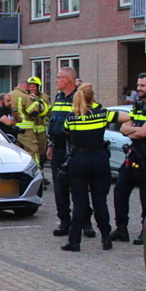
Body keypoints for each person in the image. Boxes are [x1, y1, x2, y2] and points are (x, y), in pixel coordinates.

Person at [110, 72, 146, 246]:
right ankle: (121, 229)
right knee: (120, 190)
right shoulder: (137, 106)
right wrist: (134, 130)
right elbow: (123, 129)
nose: (139, 88)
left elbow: (143, 132)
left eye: (142, 85)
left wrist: (134, 130)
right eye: (138, 85)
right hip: (133, 155)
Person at [60, 83, 117, 252]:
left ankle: (74, 241)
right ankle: (106, 239)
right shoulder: (102, 114)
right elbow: (123, 117)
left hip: (79, 160)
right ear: (93, 97)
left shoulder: (72, 117)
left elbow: (66, 132)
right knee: (100, 201)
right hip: (100, 159)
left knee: (79, 202)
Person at [47, 67, 94, 239]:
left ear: (67, 79)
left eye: (58, 77)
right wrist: (51, 144)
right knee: (60, 188)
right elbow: (53, 123)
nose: (56, 81)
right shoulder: (59, 97)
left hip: (73, 149)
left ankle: (85, 222)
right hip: (58, 148)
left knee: (79, 188)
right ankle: (64, 221)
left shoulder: (79, 97)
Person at [14, 76, 51, 170]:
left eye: (34, 86)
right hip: (29, 131)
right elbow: (30, 112)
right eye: (30, 86)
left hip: (41, 130)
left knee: (42, 152)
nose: (32, 88)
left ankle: (42, 175)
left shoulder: (44, 97)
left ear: (38, 87)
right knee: (33, 151)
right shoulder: (26, 97)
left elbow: (47, 111)